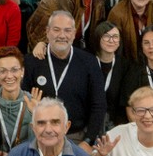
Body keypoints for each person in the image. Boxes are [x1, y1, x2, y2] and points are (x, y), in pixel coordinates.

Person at [24, 10, 108, 139]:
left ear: (74, 34)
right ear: (47, 32)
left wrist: (88, 140)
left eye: (67, 30)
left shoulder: (89, 62)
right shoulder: (32, 61)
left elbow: (98, 104)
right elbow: (22, 100)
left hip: (76, 136)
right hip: (40, 135)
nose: (62, 35)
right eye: (56, 30)